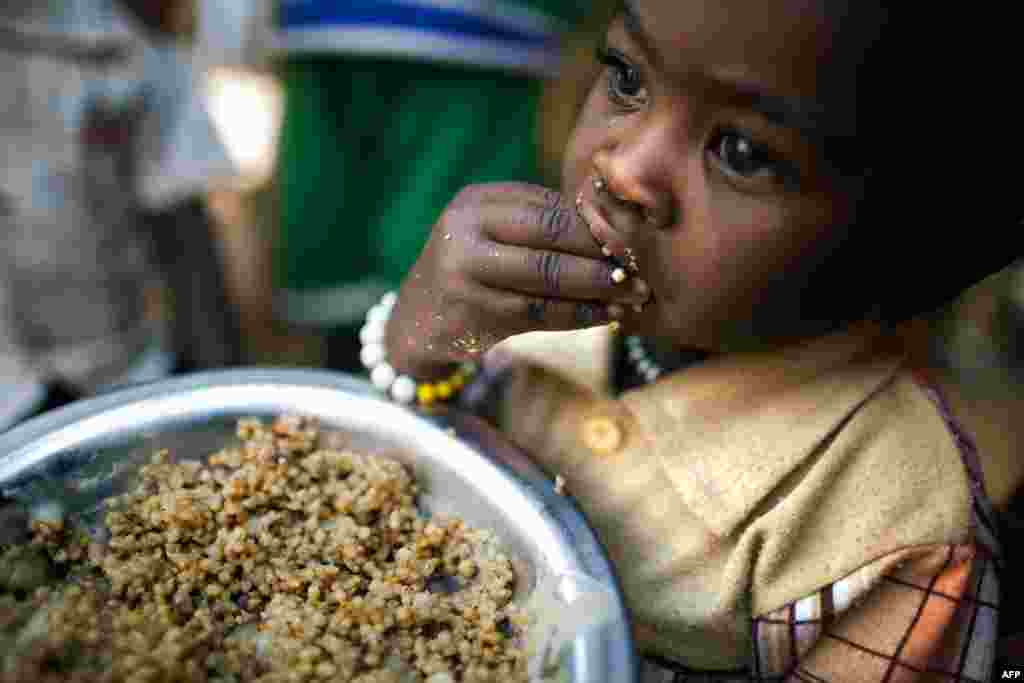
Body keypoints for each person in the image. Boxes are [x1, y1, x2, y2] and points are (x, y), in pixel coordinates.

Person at [360, 1, 1023, 679]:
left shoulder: (896, 536)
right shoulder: (538, 298)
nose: (624, 171)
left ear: (903, 243)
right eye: (626, 77)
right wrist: (418, 343)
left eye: (742, 152)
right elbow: (405, 465)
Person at [271, 0, 586, 372]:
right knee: (336, 238)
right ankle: (364, 382)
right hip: (457, 33)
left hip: (471, 36)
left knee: (443, 246)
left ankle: (408, 379)